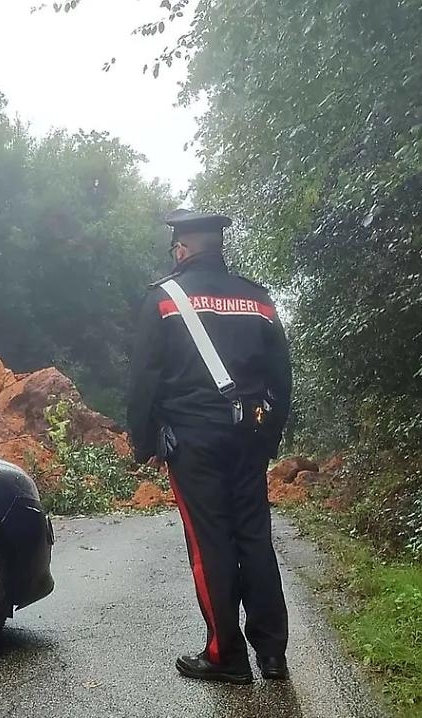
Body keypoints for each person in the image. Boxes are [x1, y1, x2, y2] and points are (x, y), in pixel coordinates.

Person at [127, 210, 293, 684]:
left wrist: (144, 444)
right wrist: (270, 435)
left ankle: (225, 655)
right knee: (255, 537)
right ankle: (273, 655)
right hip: (251, 437)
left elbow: (144, 380)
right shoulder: (259, 300)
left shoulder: (163, 299)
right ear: (219, 248)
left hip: (194, 441)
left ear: (181, 248)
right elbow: (281, 378)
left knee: (211, 543)